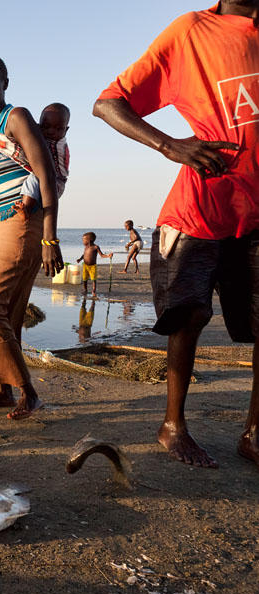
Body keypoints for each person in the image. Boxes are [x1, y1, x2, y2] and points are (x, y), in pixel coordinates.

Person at [93, 0, 259, 469]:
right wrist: (170, 145)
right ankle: (173, 425)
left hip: (257, 214)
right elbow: (108, 103)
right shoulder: (191, 30)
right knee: (189, 319)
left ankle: (254, 433)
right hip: (199, 209)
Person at [0, 56, 63, 420]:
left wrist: (50, 238)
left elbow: (46, 174)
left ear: (5, 83)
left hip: (22, 224)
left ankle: (28, 392)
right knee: (9, 312)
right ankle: (3, 390)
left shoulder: (17, 117)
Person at [76, 232, 113, 297]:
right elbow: (84, 254)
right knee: (84, 279)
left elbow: (101, 255)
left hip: (92, 266)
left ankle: (93, 291)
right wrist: (80, 259)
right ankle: (85, 290)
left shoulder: (95, 247)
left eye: (84, 240)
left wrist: (108, 256)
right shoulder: (86, 247)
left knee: (93, 279)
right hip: (85, 266)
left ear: (89, 240)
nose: (83, 241)